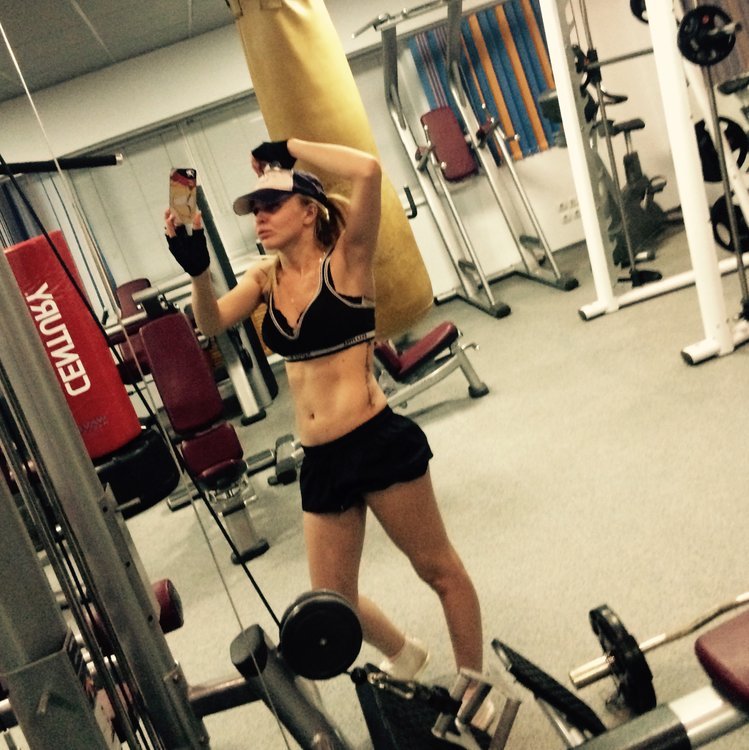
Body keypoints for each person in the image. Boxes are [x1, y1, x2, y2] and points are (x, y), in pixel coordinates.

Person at [164, 137, 485, 690]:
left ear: (309, 211)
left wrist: (289, 147)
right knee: (332, 601)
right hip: (319, 458)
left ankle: (476, 685)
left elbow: (367, 171)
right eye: (255, 209)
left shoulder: (349, 261)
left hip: (376, 443)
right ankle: (405, 653)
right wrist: (198, 271)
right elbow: (211, 322)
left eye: (272, 205)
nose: (259, 217)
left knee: (438, 569)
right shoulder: (263, 279)